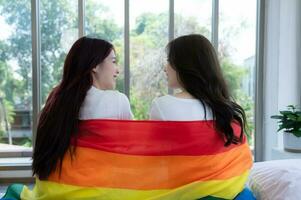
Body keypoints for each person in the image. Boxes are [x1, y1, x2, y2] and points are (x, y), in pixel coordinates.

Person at [32, 37, 133, 180]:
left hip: (58, 190)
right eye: (114, 61)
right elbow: (129, 152)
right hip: (101, 190)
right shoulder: (117, 100)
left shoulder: (55, 100)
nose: (117, 70)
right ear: (95, 66)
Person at [150, 34, 247, 146]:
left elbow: (156, 155)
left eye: (169, 60)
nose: (165, 68)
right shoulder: (225, 109)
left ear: (184, 65)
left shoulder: (161, 106)